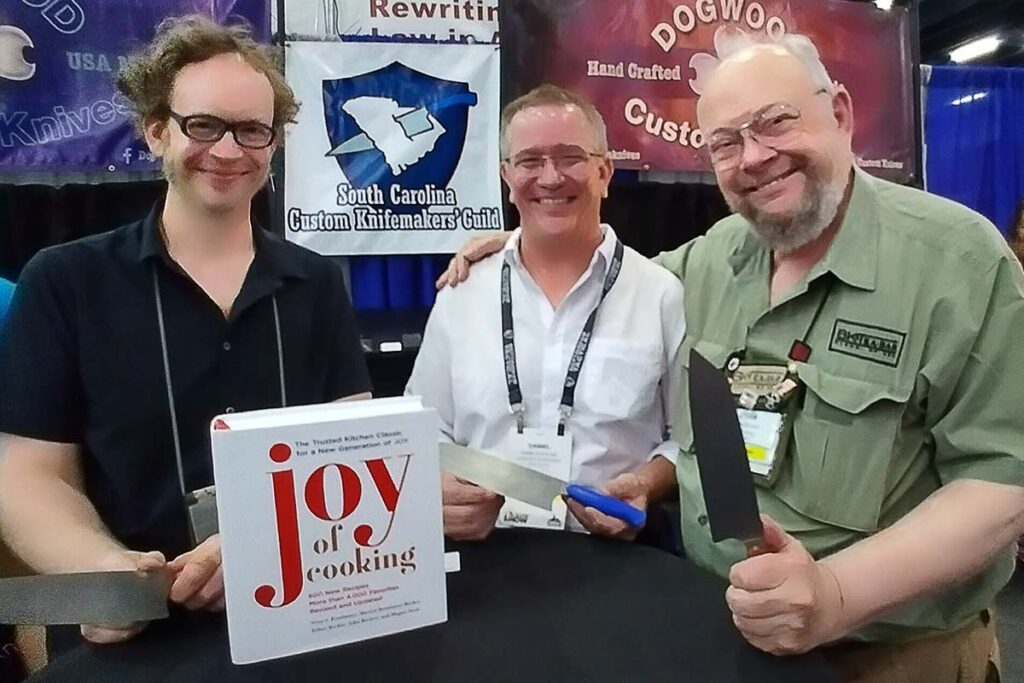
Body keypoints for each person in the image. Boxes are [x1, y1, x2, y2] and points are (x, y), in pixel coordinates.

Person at [439, 33, 1024, 682]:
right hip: (720, 638)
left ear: (841, 114)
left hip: (890, 659)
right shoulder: (712, 259)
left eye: (776, 121)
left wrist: (833, 593)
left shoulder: (957, 262)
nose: (754, 156)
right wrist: (531, 244)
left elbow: (1001, 480)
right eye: (725, 142)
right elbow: (601, 281)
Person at [0, 15, 371, 657]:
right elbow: (29, 475)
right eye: (203, 125)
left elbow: (355, 453)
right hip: (127, 636)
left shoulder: (318, 284)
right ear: (156, 132)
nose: (228, 151)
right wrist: (102, 571)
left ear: (274, 143)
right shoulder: (65, 281)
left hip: (300, 621)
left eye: (252, 130)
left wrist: (268, 542)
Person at [407, 85, 685, 543]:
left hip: (613, 560)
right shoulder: (462, 292)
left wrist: (645, 485)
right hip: (486, 558)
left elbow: (683, 441)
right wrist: (441, 492)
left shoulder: (659, 294)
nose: (551, 177)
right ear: (507, 177)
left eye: (570, 157)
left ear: (605, 171)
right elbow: (425, 428)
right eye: (530, 161)